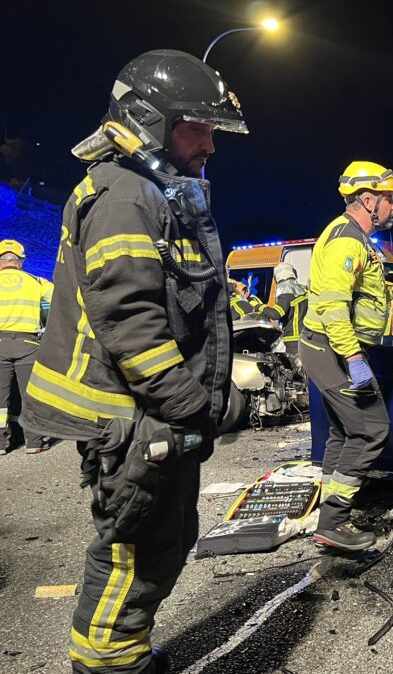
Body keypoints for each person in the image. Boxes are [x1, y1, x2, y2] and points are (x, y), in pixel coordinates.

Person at [21, 49, 247, 672]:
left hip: (148, 413)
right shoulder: (125, 197)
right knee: (133, 549)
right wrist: (195, 406)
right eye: (198, 126)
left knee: (164, 541)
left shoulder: (152, 192)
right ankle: (110, 663)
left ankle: (123, 652)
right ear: (151, 119)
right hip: (131, 417)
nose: (210, 144)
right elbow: (131, 325)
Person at [300, 161, 393, 551]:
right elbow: (334, 305)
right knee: (371, 429)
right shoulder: (348, 241)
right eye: (389, 199)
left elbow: (359, 295)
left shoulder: (354, 237)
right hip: (333, 349)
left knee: (344, 432)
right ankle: (334, 523)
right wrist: (353, 359)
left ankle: (329, 516)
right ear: (368, 200)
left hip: (329, 348)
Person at [0, 239, 53, 454]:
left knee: (0, 400)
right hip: (29, 345)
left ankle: (1, 444)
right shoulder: (38, 282)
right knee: (30, 395)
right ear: (20, 262)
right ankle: (34, 442)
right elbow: (54, 308)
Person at [267, 263, 308, 355]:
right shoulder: (303, 290)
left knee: (292, 367)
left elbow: (275, 314)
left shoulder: (286, 293)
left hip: (293, 340)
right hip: (306, 336)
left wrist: (259, 306)